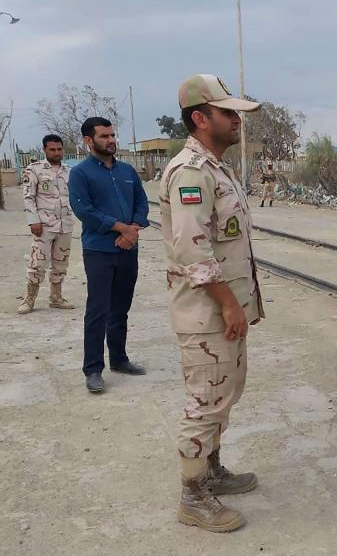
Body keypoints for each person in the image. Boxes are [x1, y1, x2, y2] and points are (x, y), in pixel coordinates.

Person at [159, 74, 264, 532]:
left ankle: (212, 470)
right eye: (227, 112)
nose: (236, 119)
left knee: (224, 394)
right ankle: (192, 496)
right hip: (207, 314)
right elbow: (192, 250)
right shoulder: (191, 172)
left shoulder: (217, 168)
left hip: (224, 312)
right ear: (200, 118)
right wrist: (228, 304)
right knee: (204, 403)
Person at [68, 117, 150, 394]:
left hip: (128, 250)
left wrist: (134, 229)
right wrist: (121, 228)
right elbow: (84, 211)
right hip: (99, 251)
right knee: (97, 311)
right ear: (89, 141)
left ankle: (119, 359)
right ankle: (93, 369)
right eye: (104, 136)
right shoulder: (80, 174)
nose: (111, 140)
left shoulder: (127, 170)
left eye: (113, 135)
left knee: (120, 309)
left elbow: (141, 202)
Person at [18, 134, 75, 314]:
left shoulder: (69, 171)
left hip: (65, 224)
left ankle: (56, 298)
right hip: (44, 225)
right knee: (38, 263)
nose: (56, 152)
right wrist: (33, 220)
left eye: (59, 149)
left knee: (61, 262)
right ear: (44, 150)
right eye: (52, 149)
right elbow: (29, 197)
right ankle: (29, 299)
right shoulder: (34, 170)